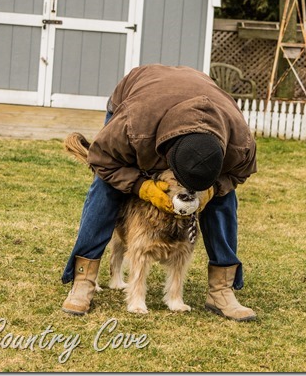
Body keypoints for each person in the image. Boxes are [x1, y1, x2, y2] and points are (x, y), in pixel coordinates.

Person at [61, 64, 257, 321]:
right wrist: (142, 187)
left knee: (225, 201)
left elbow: (237, 175)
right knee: (105, 189)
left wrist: (212, 191)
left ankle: (221, 288)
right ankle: (84, 279)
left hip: (200, 101)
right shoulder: (133, 126)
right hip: (140, 100)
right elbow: (102, 160)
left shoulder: (240, 143)